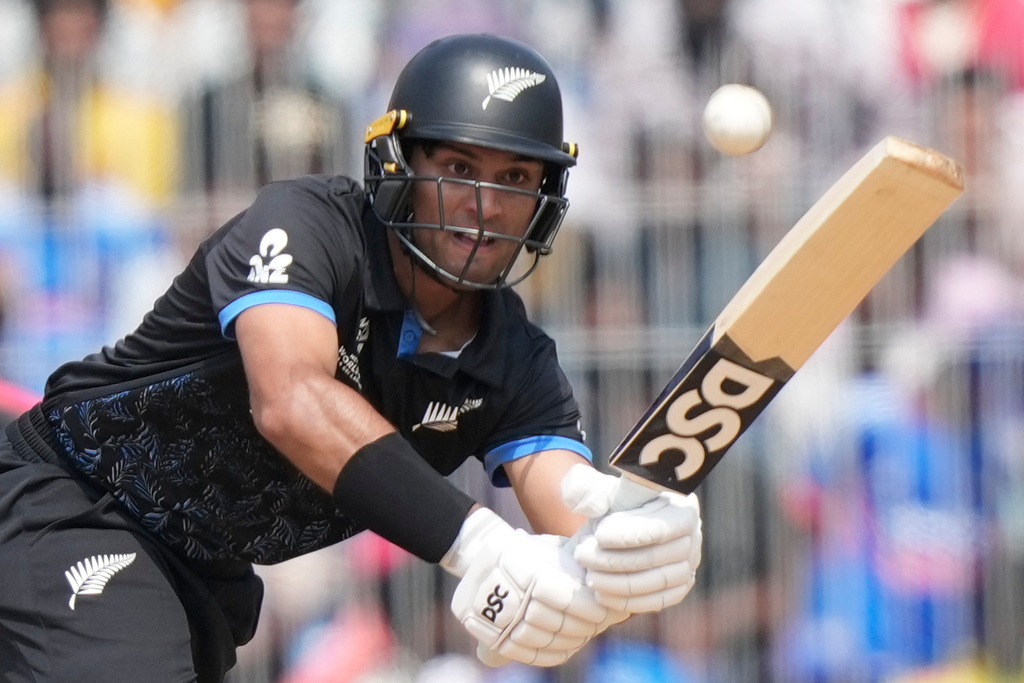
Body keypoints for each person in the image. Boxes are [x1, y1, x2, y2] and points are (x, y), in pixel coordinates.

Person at [0, 33, 703, 681]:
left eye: (516, 178)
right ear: (397, 165)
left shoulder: (515, 359)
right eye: (459, 166)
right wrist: (477, 541)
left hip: (201, 577)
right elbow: (290, 400)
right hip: (70, 502)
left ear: (545, 200)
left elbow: (570, 510)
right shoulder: (308, 228)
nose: (484, 206)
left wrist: (629, 549)